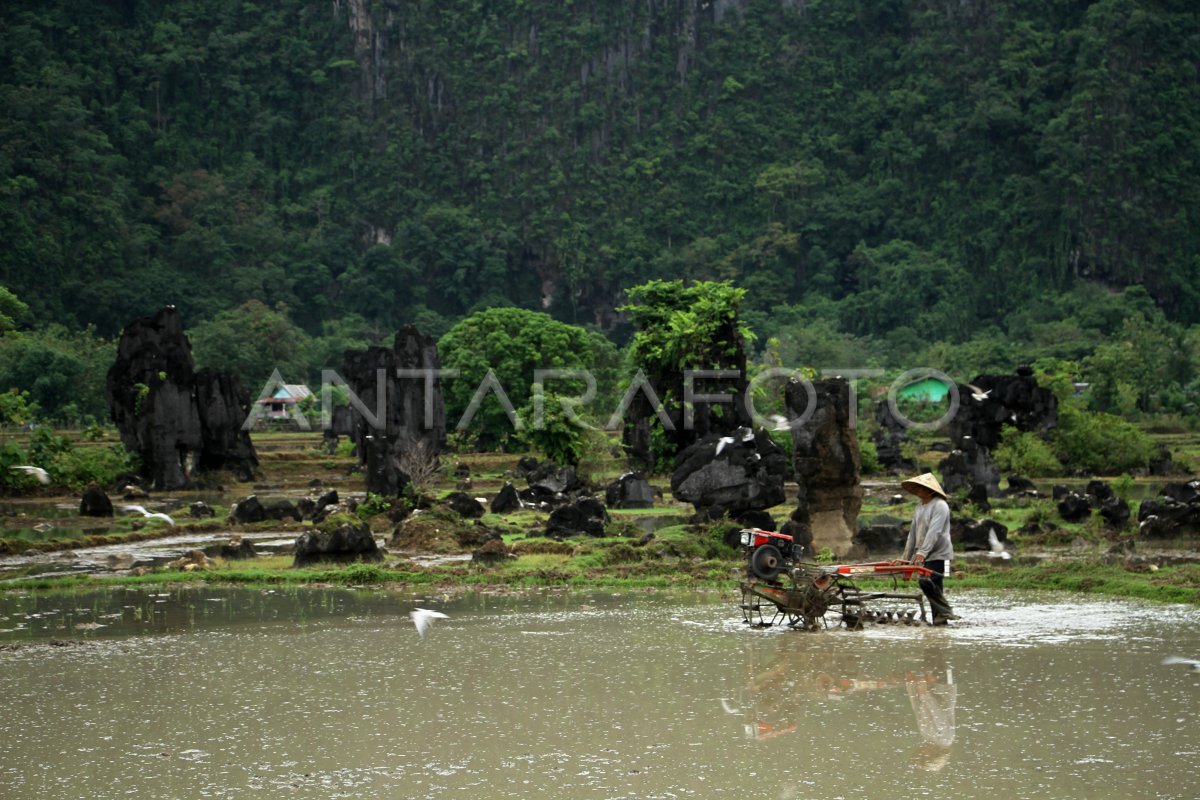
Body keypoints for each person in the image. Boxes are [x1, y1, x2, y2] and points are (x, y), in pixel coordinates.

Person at [897, 472, 958, 625]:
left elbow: (934, 531)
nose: (918, 490)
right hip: (924, 554)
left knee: (931, 582)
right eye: (917, 487)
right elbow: (913, 533)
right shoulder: (920, 506)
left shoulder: (940, 505)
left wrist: (922, 552)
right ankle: (939, 618)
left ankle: (944, 614)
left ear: (930, 489)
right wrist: (906, 558)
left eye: (921, 487)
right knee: (926, 583)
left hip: (941, 554)